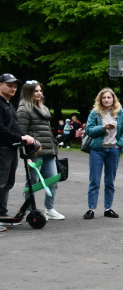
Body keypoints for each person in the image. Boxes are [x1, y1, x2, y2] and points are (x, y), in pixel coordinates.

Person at [16, 80, 64, 219]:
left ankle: (49, 209)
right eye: (35, 91)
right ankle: (32, 211)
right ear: (28, 92)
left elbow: (48, 132)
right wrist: (26, 155)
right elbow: (21, 133)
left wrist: (54, 147)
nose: (39, 93)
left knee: (53, 180)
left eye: (40, 90)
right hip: (34, 152)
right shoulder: (23, 109)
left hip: (48, 151)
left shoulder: (45, 108)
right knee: (32, 183)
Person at [83, 87, 123, 219]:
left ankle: (108, 208)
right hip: (97, 150)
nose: (106, 100)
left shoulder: (120, 113)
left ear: (113, 99)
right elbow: (89, 130)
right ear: (100, 99)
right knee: (95, 181)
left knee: (110, 181)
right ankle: (91, 209)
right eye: (104, 97)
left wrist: (119, 145)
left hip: (113, 150)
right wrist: (103, 127)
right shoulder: (95, 113)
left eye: (109, 97)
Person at [0, 73, 36, 225]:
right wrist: (19, 138)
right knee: (0, 182)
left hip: (10, 148)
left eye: (15, 86)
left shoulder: (8, 104)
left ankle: (2, 213)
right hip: (1, 148)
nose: (13, 88)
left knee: (8, 182)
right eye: (9, 85)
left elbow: (15, 127)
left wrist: (24, 136)